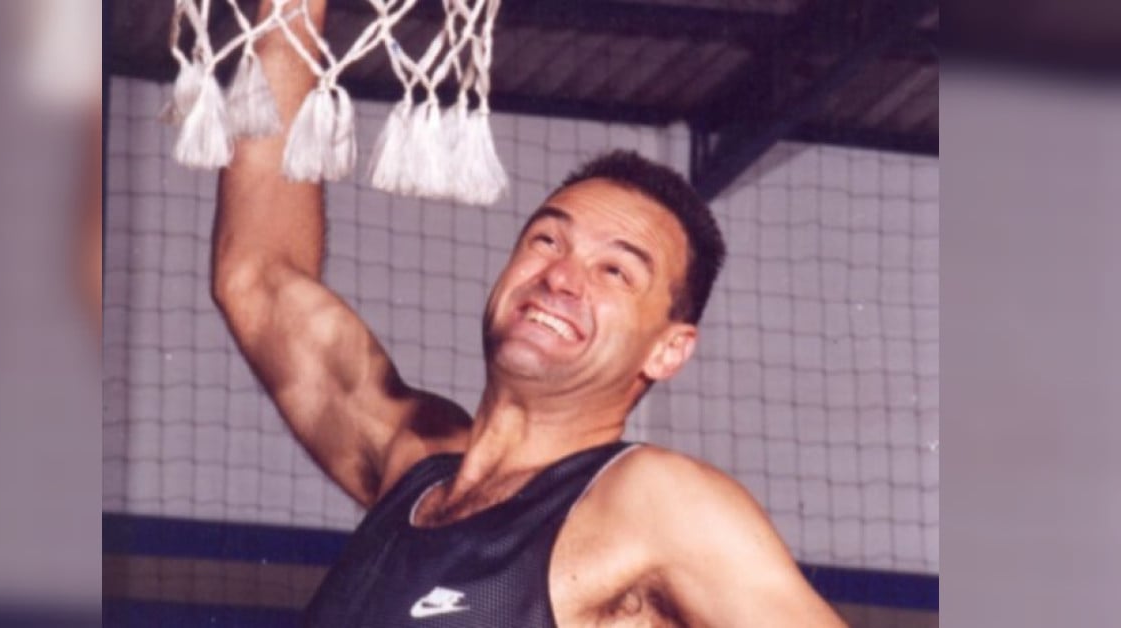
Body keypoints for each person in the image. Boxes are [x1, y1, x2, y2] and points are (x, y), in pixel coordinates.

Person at [211, 1, 845, 625]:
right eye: (547, 240)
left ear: (668, 349)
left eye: (615, 271)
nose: (561, 276)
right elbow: (258, 276)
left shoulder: (654, 503)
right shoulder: (412, 456)